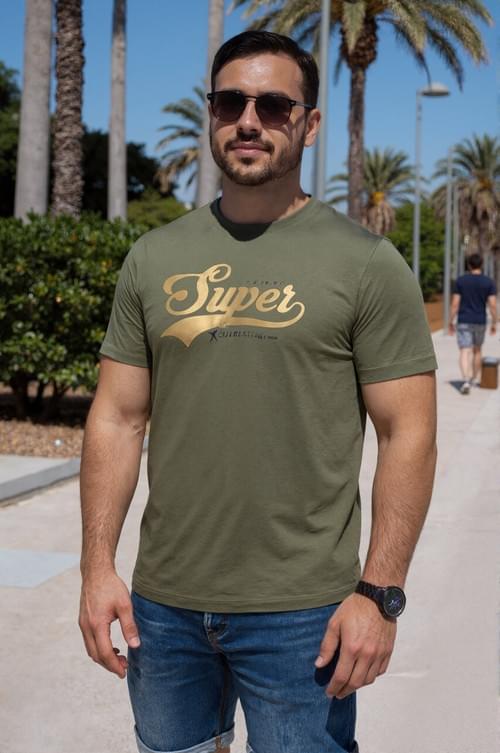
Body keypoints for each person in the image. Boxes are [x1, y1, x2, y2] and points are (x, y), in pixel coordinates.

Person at [78, 31, 437, 753]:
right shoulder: (154, 258)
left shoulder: (366, 263)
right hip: (164, 607)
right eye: (230, 102)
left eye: (274, 105)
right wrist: (96, 568)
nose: (249, 120)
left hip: (305, 614)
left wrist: (380, 594)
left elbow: (410, 434)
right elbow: (116, 419)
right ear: (211, 113)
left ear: (309, 123)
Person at [448, 252, 497, 394]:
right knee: (477, 350)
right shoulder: (488, 282)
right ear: (481, 265)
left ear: (469, 265)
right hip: (480, 321)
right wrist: (494, 322)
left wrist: (450, 321)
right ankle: (473, 378)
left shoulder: (461, 281)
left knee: (465, 350)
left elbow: (455, 304)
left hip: (464, 320)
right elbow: (493, 305)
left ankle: (465, 380)